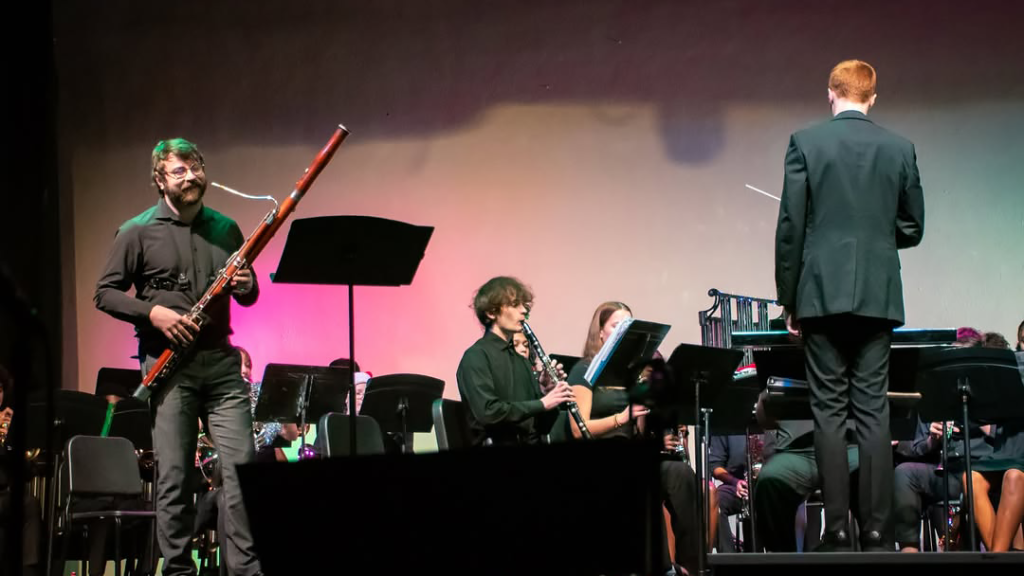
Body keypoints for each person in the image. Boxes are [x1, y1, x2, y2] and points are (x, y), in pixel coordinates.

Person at [774, 59, 925, 551]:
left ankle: (837, 530)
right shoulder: (900, 148)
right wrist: (875, 239)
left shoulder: (806, 143)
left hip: (819, 294)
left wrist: (788, 298)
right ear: (873, 97)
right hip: (878, 296)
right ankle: (878, 530)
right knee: (873, 414)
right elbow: (913, 227)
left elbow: (791, 228)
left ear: (831, 94)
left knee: (829, 415)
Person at [94, 138, 262, 576]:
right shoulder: (136, 230)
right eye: (178, 170)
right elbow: (105, 293)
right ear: (159, 179)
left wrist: (247, 285)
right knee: (174, 477)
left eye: (195, 167)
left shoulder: (226, 228)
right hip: (171, 368)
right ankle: (178, 571)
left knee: (244, 471)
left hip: (222, 364)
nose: (190, 176)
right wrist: (154, 312)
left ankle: (245, 569)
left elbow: (249, 292)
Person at [566, 301, 709, 573]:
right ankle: (660, 568)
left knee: (680, 474)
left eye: (629, 327)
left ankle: (694, 566)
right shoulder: (585, 369)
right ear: (600, 333)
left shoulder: (633, 375)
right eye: (617, 326)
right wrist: (622, 416)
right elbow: (577, 428)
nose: (624, 332)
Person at [455, 276, 574, 447]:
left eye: (524, 305)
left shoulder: (522, 362)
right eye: (514, 304)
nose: (524, 311)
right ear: (491, 312)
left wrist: (548, 393)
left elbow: (542, 427)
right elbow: (489, 413)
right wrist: (541, 403)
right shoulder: (476, 357)